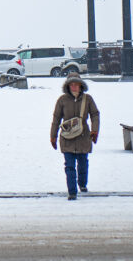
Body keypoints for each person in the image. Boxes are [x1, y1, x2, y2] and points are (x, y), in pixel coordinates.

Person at [50, 72, 100, 200]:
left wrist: (94, 130)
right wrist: (53, 136)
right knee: (69, 166)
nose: (74, 87)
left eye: (76, 84)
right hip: (67, 138)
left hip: (83, 137)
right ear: (67, 86)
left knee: (83, 163)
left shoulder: (87, 99)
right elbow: (56, 119)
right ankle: (72, 191)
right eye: (71, 84)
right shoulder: (62, 100)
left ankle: (82, 184)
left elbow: (95, 115)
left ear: (80, 85)